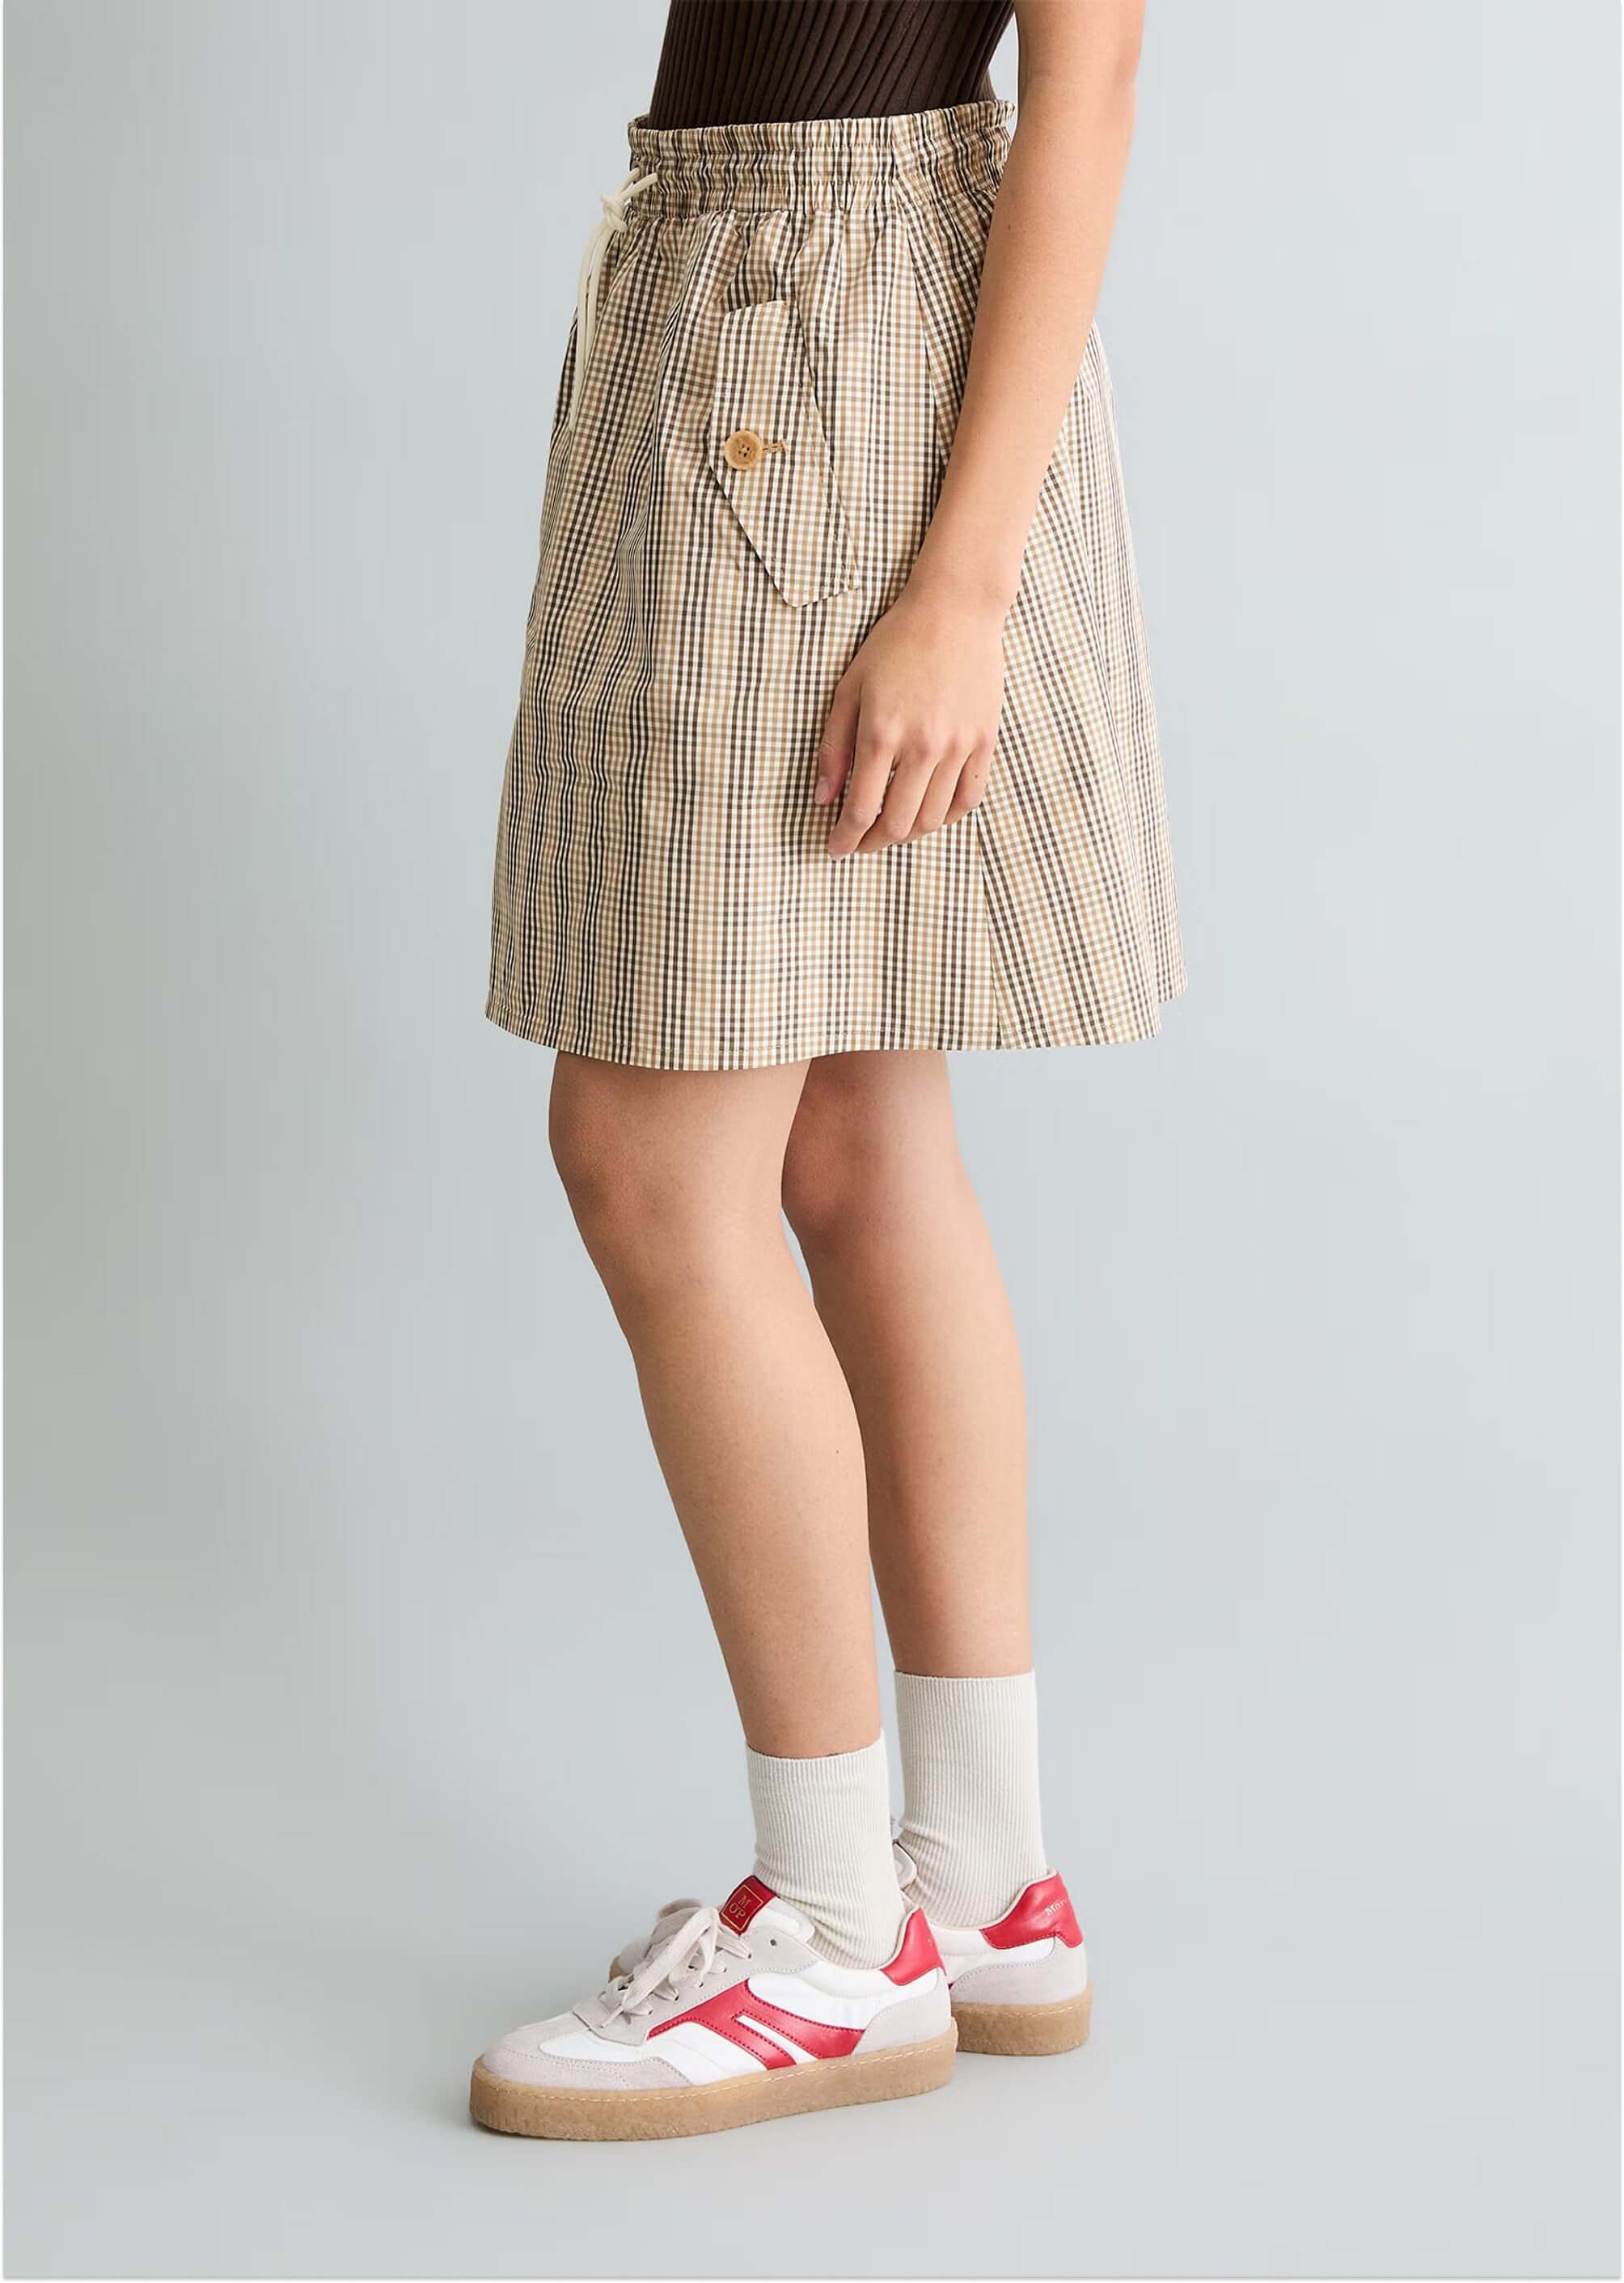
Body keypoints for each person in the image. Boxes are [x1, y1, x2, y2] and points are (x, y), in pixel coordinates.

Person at [473, 0, 1182, 2141]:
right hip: (785, 308)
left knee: (650, 1163)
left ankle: (832, 1932)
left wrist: (964, 586)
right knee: (861, 1144)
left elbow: (1093, 69)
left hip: (812, 342)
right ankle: (976, 1877)